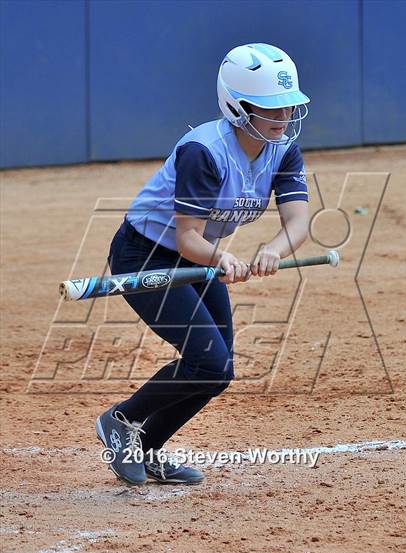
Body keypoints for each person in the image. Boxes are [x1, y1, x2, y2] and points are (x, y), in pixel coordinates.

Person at [96, 43, 310, 485]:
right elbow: (187, 237)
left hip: (200, 258)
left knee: (217, 372)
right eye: (271, 108)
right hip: (147, 254)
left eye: (288, 107)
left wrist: (273, 248)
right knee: (207, 362)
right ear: (237, 106)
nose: (283, 118)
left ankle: (148, 448)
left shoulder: (283, 150)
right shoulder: (204, 151)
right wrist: (223, 257)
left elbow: (298, 222)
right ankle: (120, 420)